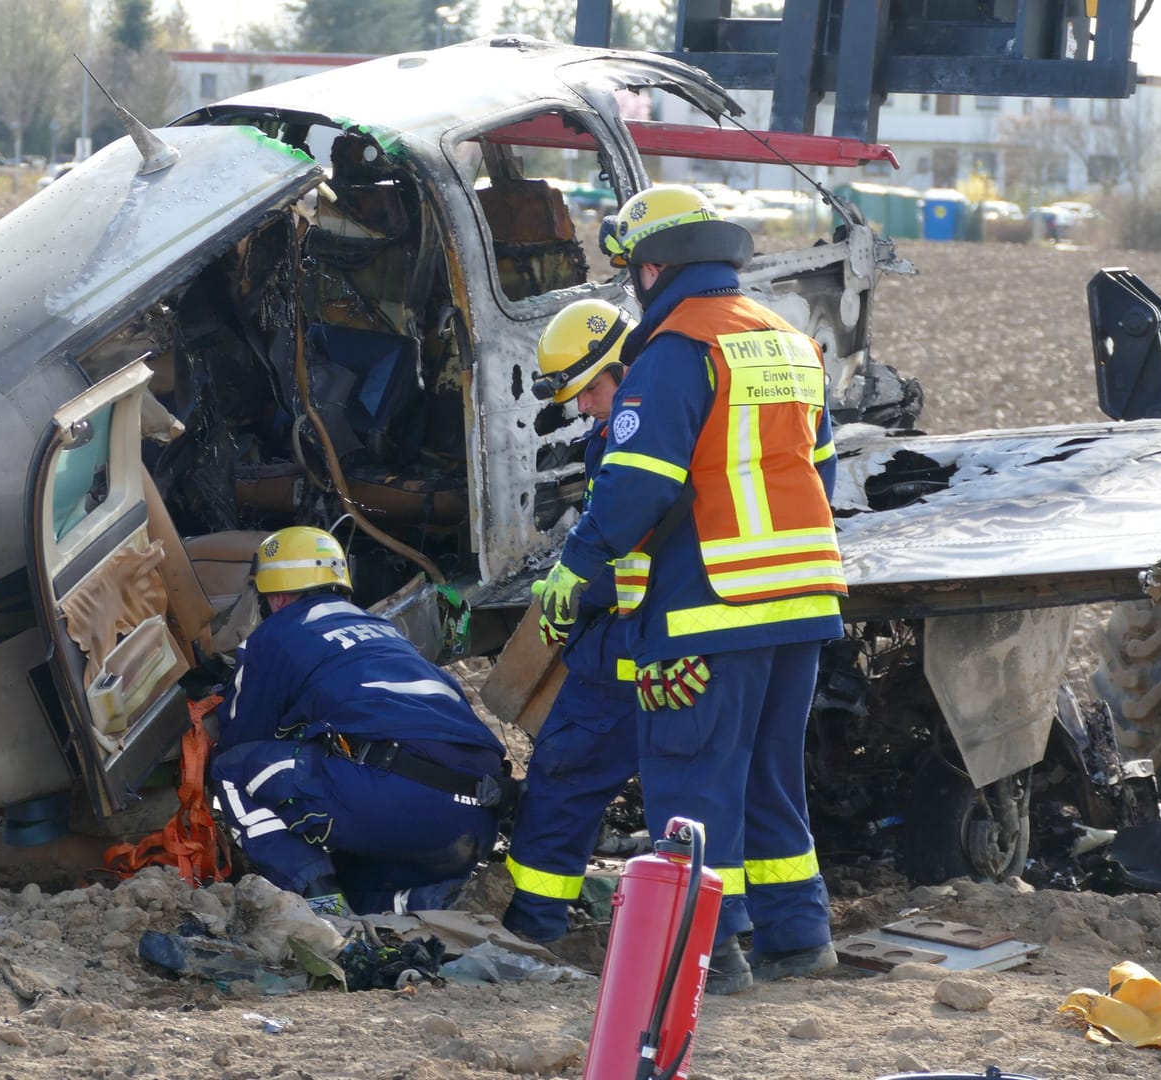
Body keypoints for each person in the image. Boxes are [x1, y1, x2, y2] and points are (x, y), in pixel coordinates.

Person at [534, 184, 845, 994]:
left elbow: (637, 486)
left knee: (690, 778)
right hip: (803, 600)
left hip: (712, 605)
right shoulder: (789, 342)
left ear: (651, 268)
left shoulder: (674, 351)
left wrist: (579, 564)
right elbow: (821, 472)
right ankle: (798, 936)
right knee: (771, 776)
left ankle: (713, 952)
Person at [209, 526, 509, 916]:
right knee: (351, 874)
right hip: (475, 815)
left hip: (391, 796)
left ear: (277, 596)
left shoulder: (276, 635)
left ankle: (320, 904)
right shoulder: (387, 632)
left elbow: (243, 737)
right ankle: (427, 902)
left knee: (232, 768)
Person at [501, 298, 645, 944]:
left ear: (621, 366)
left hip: (628, 637)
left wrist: (582, 590)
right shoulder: (627, 431)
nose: (581, 407)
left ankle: (534, 927)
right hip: (647, 632)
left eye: (588, 391)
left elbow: (641, 545)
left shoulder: (641, 438)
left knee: (566, 773)